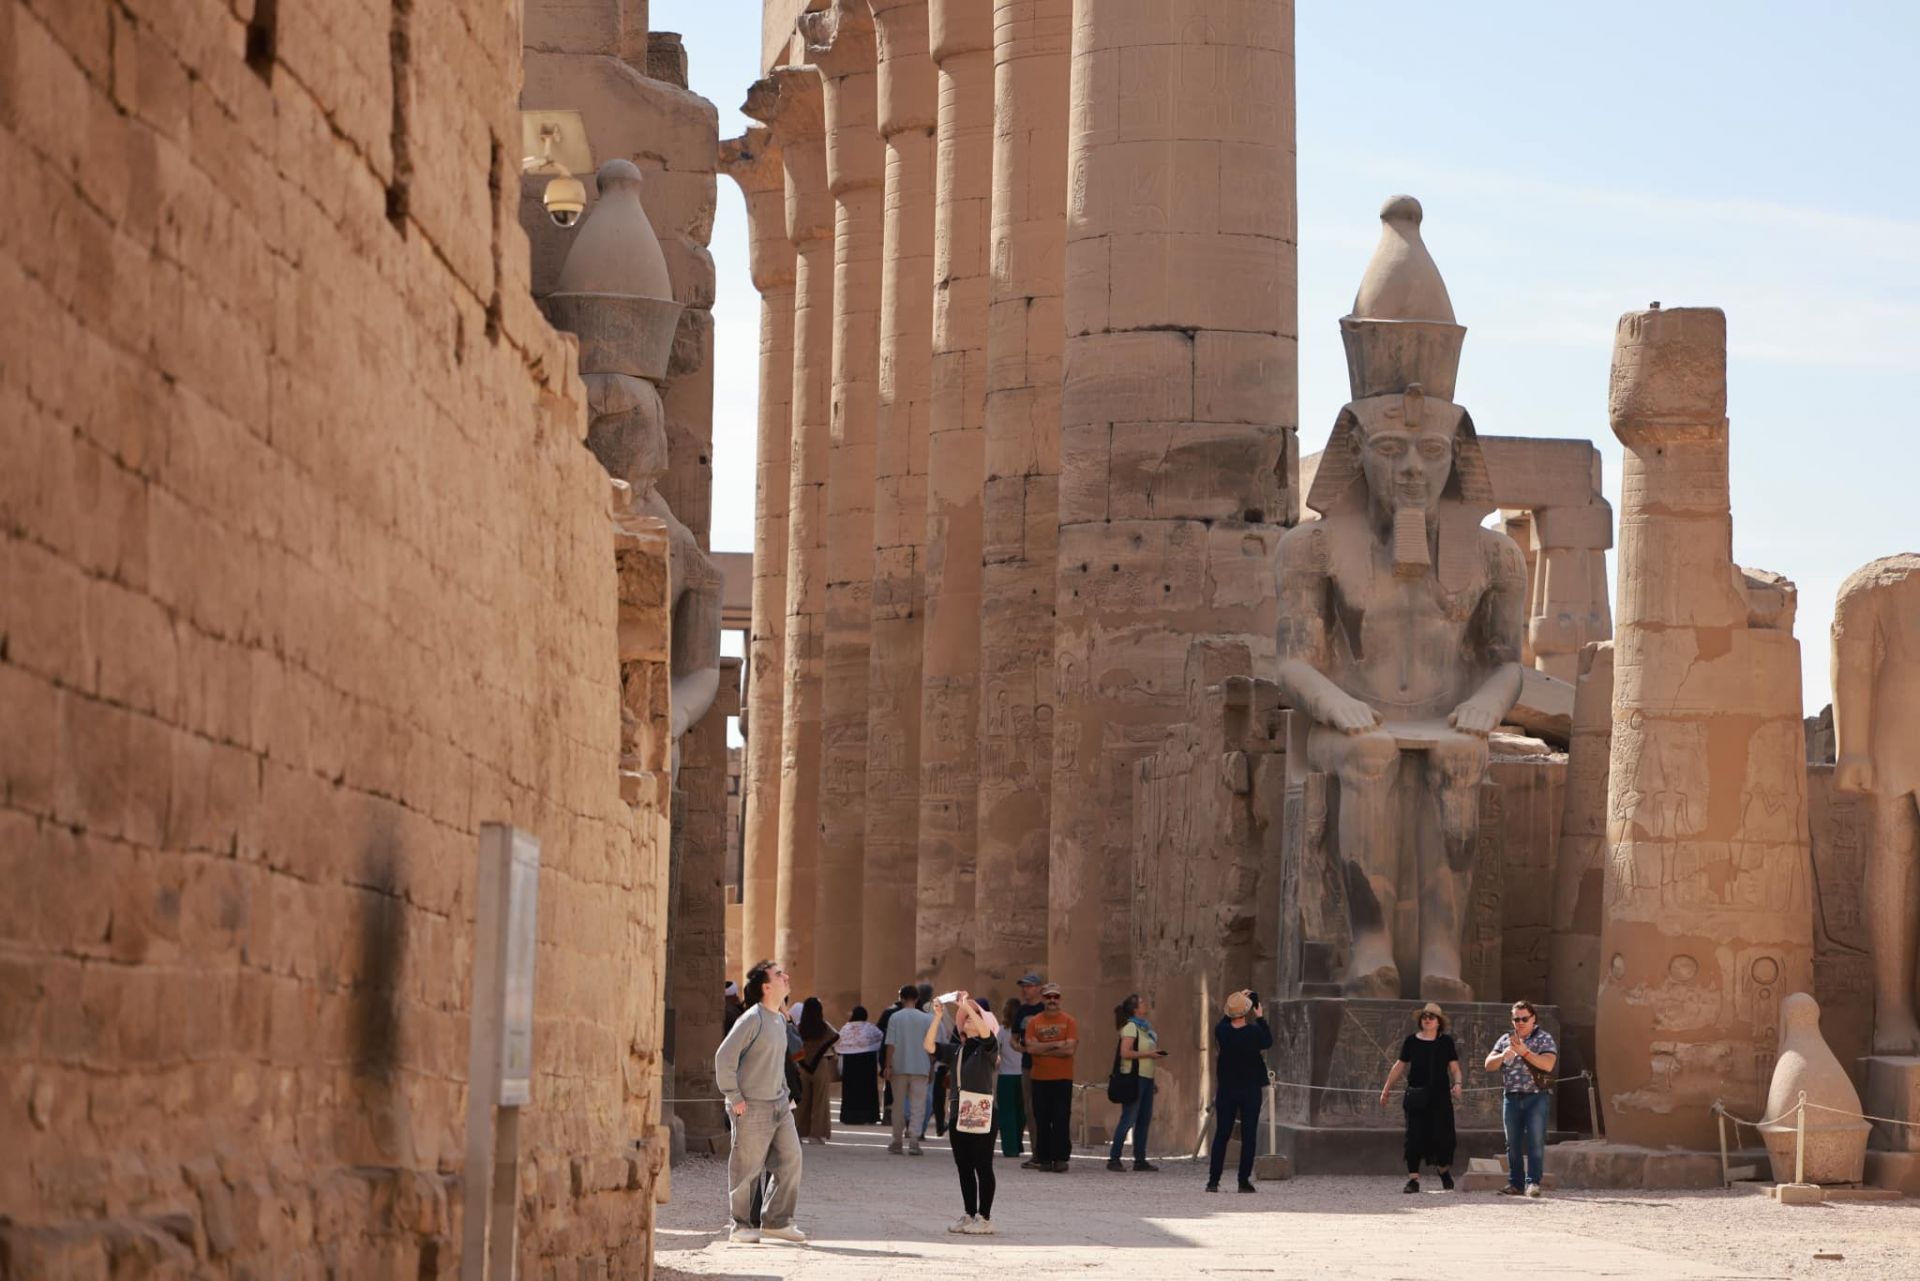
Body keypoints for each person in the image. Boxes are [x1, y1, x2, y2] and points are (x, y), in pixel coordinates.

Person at [712, 959, 808, 1245]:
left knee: (791, 1160)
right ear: (766, 987)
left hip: (779, 1103)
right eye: (778, 975)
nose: (785, 976)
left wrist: (785, 1094)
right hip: (751, 1104)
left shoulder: (778, 1019)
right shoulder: (752, 1019)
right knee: (747, 1169)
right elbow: (724, 1058)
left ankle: (777, 1222)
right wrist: (734, 1096)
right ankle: (740, 1225)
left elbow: (777, 1063)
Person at [927, 992, 1002, 1234]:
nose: (969, 1018)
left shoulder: (989, 1048)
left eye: (976, 1015)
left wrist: (968, 1007)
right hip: (958, 1113)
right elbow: (929, 1046)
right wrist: (938, 1017)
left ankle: (985, 1218)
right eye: (967, 1016)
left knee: (983, 1165)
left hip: (982, 1113)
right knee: (964, 1166)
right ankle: (969, 1214)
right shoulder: (958, 1050)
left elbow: (986, 1034)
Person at [1378, 1002, 1462, 1192]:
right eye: (1424, 1016)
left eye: (1431, 1017)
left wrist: (1458, 1083)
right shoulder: (1411, 1041)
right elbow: (1399, 1066)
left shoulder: (1446, 1042)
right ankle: (1413, 1179)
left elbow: (1455, 1068)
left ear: (1438, 1022)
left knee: (1443, 1136)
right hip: (1416, 1095)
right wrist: (1386, 1088)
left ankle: (1443, 1170)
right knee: (1414, 1136)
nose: (1427, 1019)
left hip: (1440, 1097)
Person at [1484, 999, 1558, 1198]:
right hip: (1511, 1097)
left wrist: (1524, 1052)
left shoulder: (1544, 1038)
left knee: (1535, 1140)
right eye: (1516, 1019)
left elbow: (1548, 1064)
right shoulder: (1505, 1039)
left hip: (1536, 1096)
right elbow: (1488, 1064)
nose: (1520, 1023)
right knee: (1512, 1143)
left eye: (1524, 1018)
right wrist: (1503, 1056)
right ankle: (1515, 1183)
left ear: (1533, 1018)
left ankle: (1533, 1183)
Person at [1207, 990, 1272, 1193]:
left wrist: (1236, 1002)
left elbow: (1224, 1021)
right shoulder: (1254, 1032)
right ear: (1247, 1011)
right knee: (1249, 1135)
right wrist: (1260, 1016)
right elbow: (1268, 1041)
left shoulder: (1222, 1031)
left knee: (1222, 1134)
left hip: (1227, 1088)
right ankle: (1243, 1181)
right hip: (1250, 1089)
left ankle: (1213, 1181)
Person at [1107, 994, 1168, 1171]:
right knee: (1128, 1119)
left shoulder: (1145, 1028)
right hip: (1134, 1079)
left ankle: (1140, 1159)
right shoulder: (1131, 1027)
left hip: (1146, 1077)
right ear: (1135, 1009)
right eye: (1141, 1002)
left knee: (1143, 1120)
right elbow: (1125, 1053)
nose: (1145, 1004)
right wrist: (1149, 1054)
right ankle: (1114, 1158)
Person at [1023, 983, 1079, 1171]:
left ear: (1060, 999)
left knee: (1061, 1118)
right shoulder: (1034, 1022)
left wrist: (1043, 1048)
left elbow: (1069, 1049)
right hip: (1040, 1078)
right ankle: (1044, 1158)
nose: (1052, 1000)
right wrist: (1057, 1044)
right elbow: (1030, 1048)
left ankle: (1060, 1158)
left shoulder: (1069, 1021)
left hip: (1062, 1077)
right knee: (1042, 1119)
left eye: (1055, 997)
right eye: (1048, 997)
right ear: (1043, 999)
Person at [883, 987, 933, 1155]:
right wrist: (931, 1066)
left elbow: (890, 1044)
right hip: (921, 1066)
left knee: (898, 1105)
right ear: (917, 999)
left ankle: (897, 1140)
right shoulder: (926, 1018)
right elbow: (930, 1046)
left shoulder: (895, 1017)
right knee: (918, 1105)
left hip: (899, 1065)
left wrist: (888, 1066)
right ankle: (914, 1141)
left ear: (901, 998)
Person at [1009, 973, 1046, 1165]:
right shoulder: (1022, 1011)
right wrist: (1020, 1048)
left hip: (1046, 1064)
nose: (1025, 990)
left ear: (1039, 988)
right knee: (1030, 1110)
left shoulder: (1045, 1009)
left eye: (1029, 986)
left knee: (1045, 1108)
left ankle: (1049, 1151)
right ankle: (1037, 1152)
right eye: (1023, 986)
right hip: (1027, 1065)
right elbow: (1013, 1037)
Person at [793, 997, 839, 1144]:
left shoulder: (799, 1027)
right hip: (821, 1065)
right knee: (820, 1101)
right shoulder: (825, 1027)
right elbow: (836, 1037)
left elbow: (793, 1045)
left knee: (801, 1102)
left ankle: (797, 1133)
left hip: (802, 1067)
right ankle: (816, 1135)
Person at [836, 1005, 883, 1125]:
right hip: (867, 1062)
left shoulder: (846, 1028)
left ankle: (849, 1116)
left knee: (850, 1090)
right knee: (867, 1089)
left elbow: (838, 1042)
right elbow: (881, 1038)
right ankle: (869, 1116)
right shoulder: (870, 1028)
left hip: (850, 1063)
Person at [876, 984, 913, 1124]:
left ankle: (889, 1114)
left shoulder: (889, 1013)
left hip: (890, 1053)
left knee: (890, 1086)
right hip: (908, 1055)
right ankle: (906, 1116)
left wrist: (884, 1063)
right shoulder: (916, 1014)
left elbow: (880, 1032)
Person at [995, 997, 1027, 1158]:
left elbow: (995, 1052)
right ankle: (1018, 1143)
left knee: (1007, 1113)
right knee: (1021, 1113)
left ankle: (1010, 1147)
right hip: (1023, 1075)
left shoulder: (1001, 1031)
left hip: (1006, 1076)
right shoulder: (1024, 1031)